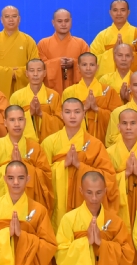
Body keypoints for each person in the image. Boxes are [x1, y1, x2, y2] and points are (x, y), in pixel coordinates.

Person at [42, 98, 117, 230]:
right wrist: (63, 165)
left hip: (85, 201)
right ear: (61, 114)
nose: (72, 116)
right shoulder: (49, 142)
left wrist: (80, 166)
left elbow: (109, 177)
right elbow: (42, 177)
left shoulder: (95, 144)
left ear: (83, 114)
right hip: (58, 202)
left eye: (77, 112)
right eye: (68, 112)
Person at [0, 105, 52, 208]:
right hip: (1, 205)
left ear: (25, 121)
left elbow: (46, 177)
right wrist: (11, 167)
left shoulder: (35, 147)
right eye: (12, 120)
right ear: (5, 123)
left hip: (28, 204)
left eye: (20, 119)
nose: (17, 124)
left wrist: (24, 166)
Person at [62, 53, 124, 142]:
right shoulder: (69, 92)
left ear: (97, 67)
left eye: (92, 65)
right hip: (76, 141)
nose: (88, 68)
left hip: (101, 139)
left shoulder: (109, 91)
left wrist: (96, 109)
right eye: (84, 65)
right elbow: (64, 119)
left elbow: (117, 119)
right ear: (78, 68)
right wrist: (84, 108)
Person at [0, 6, 40, 98]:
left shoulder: (28, 40)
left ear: (19, 19)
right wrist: (10, 74)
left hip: (22, 90)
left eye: (14, 16)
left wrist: (17, 74)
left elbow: (35, 65)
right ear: (1, 20)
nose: (11, 20)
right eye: (7, 16)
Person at [90, 0, 137, 78]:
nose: (119, 13)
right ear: (110, 13)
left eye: (122, 10)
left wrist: (128, 52)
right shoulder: (102, 36)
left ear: (128, 12)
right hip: (107, 82)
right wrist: (113, 51)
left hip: (132, 82)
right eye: (115, 10)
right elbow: (92, 62)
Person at [9, 59, 64, 142]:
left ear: (44, 73)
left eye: (39, 70)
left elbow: (60, 123)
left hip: (49, 142)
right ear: (26, 73)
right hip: (25, 143)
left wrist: (41, 114)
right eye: (32, 71)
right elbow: (11, 122)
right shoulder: (16, 96)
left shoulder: (54, 95)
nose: (35, 74)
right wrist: (30, 113)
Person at [37, 9, 89, 93]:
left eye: (66, 21)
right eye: (60, 21)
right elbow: (39, 67)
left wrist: (74, 63)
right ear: (53, 22)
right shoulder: (43, 44)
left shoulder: (81, 43)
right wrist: (57, 63)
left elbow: (89, 65)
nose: (63, 24)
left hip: (76, 90)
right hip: (51, 91)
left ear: (71, 21)